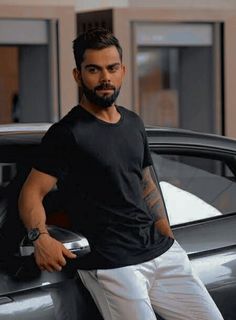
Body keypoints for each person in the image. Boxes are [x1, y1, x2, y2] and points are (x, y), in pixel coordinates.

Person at [18, 28, 224, 320]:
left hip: (161, 253)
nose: (105, 78)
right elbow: (31, 192)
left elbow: (145, 179)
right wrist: (40, 238)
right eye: (94, 70)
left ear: (123, 71)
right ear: (78, 75)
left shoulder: (133, 123)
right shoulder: (66, 134)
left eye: (112, 68)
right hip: (113, 264)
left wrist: (163, 226)